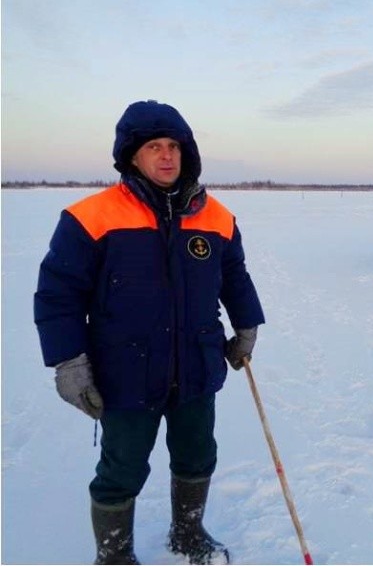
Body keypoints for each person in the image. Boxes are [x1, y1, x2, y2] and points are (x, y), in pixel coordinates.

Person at [33, 100, 266, 565]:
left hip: (197, 368)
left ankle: (188, 532)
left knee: (198, 455)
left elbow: (234, 276)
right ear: (131, 155)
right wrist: (69, 362)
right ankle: (114, 556)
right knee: (121, 470)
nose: (167, 156)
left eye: (174, 146)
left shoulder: (216, 217)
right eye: (154, 146)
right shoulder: (90, 217)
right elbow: (58, 294)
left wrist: (246, 325)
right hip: (125, 375)